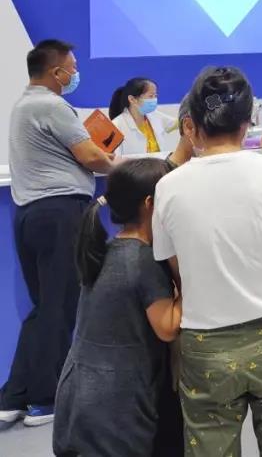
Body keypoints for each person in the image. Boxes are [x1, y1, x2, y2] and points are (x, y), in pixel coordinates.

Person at [152, 66, 262, 457]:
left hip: (206, 341)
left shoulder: (168, 187)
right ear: (248, 123)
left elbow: (174, 266)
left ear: (191, 125)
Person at [1, 40, 115, 427]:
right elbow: (91, 156)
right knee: (61, 306)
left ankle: (15, 395)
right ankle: (45, 399)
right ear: (56, 73)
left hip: (30, 215)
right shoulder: (51, 105)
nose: (76, 73)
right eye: (73, 67)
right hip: (60, 212)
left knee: (44, 307)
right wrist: (122, 167)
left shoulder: (23, 105)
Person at [53, 158, 183, 457]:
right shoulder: (143, 260)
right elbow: (167, 327)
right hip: (116, 405)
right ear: (151, 204)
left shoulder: (108, 249)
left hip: (81, 393)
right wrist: (188, 279)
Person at [109, 77, 178, 156]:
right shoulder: (116, 126)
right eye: (151, 96)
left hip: (158, 163)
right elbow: (114, 159)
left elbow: (178, 123)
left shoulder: (154, 116)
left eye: (155, 96)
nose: (154, 100)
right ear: (132, 99)